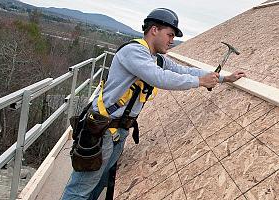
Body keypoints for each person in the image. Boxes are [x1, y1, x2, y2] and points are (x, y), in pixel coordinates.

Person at [62, 8, 246, 200]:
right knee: (80, 189)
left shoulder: (155, 58)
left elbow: (183, 71)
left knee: (100, 182)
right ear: (154, 30)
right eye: (170, 34)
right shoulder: (134, 52)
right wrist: (200, 82)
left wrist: (224, 78)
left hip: (119, 132)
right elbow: (159, 77)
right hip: (102, 130)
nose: (172, 40)